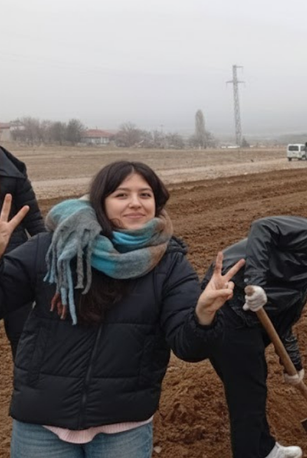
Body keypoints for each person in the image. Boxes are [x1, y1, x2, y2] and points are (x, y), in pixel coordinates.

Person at [0, 161, 242, 457]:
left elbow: (188, 346)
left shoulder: (169, 263)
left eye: (145, 194)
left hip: (123, 426)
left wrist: (204, 315)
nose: (136, 203)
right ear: (101, 200)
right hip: (42, 422)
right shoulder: (54, 246)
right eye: (122, 195)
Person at [203, 217, 307, 458]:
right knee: (248, 393)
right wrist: (255, 283)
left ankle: (265, 448)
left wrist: (293, 364)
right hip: (229, 305)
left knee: (249, 387)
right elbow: (262, 227)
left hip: (240, 316)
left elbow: (281, 322)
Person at [0, 146, 46, 359]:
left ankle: (26, 386)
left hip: (14, 264)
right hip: (15, 257)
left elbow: (34, 220)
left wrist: (53, 256)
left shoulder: (12, 171)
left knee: (22, 334)